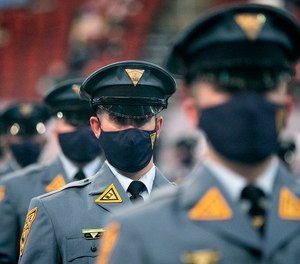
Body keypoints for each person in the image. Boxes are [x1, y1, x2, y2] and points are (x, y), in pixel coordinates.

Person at [96, 4, 300, 264]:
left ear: (288, 105)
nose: (249, 102)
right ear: (193, 111)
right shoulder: (141, 232)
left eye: (267, 81)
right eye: (227, 83)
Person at [18, 60, 176, 264]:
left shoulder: (189, 207)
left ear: (158, 126)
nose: (130, 130)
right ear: (96, 127)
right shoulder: (54, 210)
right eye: (119, 120)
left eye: (140, 120)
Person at [0, 78, 103, 264]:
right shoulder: (16, 187)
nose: (81, 129)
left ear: (100, 126)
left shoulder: (128, 184)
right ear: (55, 130)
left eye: (88, 120)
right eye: (71, 121)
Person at [0, 102, 51, 177]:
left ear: (44, 140)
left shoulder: (54, 177)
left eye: (33, 134)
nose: (27, 141)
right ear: (6, 140)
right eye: (20, 135)